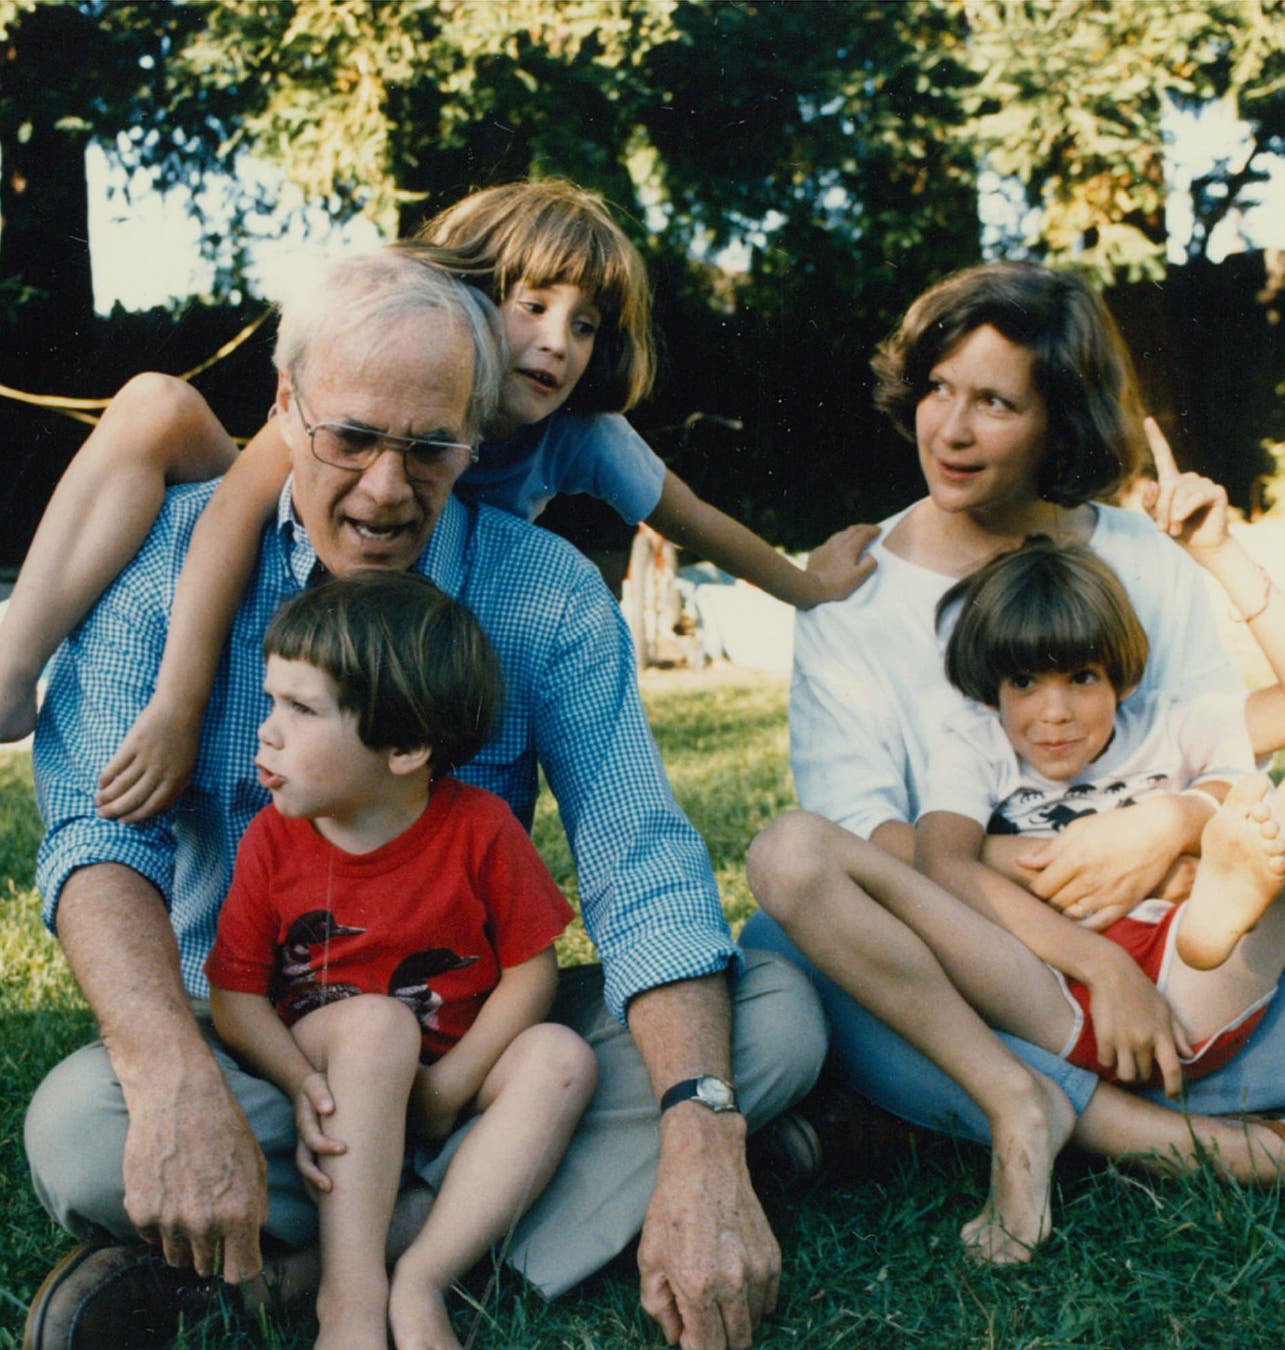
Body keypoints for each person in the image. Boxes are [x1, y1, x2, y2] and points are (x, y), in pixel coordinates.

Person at [23, 243, 826, 1350]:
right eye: (350, 438)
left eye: (431, 447)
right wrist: (170, 1078)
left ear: (478, 436)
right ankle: (517, 1204)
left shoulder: (544, 593)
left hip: (478, 1049)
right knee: (82, 1128)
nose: (386, 490)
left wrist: (702, 1134)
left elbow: (639, 859)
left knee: (772, 1019)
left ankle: (329, 1266)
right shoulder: (166, 556)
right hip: (268, 1056)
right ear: (285, 406)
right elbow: (99, 842)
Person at [746, 261, 1285, 1243]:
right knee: (793, 936)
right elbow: (873, 848)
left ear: (1061, 424)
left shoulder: (1142, 554)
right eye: (938, 389)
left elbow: (1227, 763)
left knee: (1279, 943)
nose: (949, 430)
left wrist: (1169, 824)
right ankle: (1176, 1136)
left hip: (1185, 946)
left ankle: (941, 1111)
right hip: (986, 971)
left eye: (994, 403)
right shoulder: (852, 594)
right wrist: (1060, 876)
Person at [0, 178, 877, 811]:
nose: (558, 342)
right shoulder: (376, 378)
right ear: (469, 295)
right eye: (533, 305)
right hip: (295, 533)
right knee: (155, 403)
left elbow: (694, 520)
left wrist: (809, 588)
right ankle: (11, 663)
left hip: (417, 607)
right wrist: (177, 706)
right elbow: (229, 520)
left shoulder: (583, 437)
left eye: (583, 325)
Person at [207, 571, 595, 1349]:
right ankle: (349, 1301)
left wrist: (451, 1088)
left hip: (444, 1085)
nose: (267, 732)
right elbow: (235, 998)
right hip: (331, 1085)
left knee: (563, 1057)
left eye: (302, 710)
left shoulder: (480, 828)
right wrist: (303, 1083)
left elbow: (531, 969)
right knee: (379, 1027)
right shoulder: (272, 840)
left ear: (406, 747)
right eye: (272, 701)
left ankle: (421, 1277)